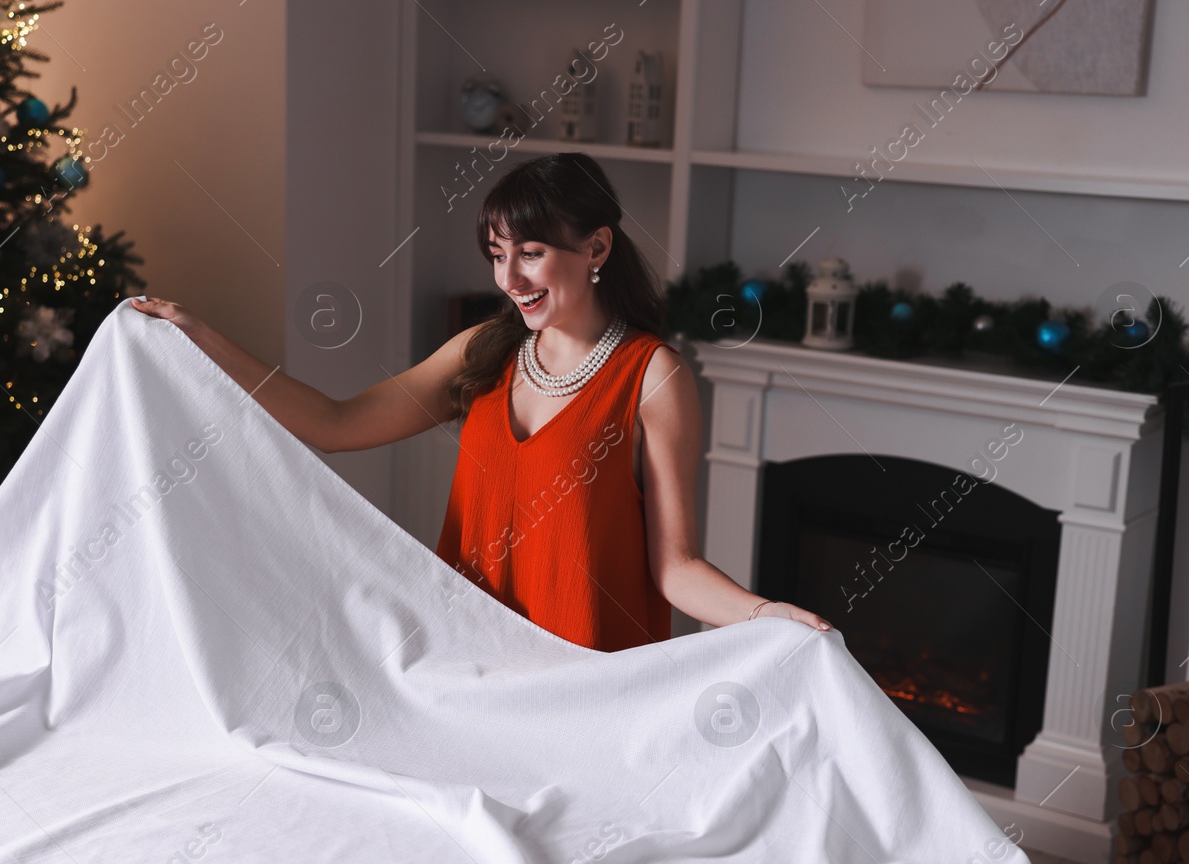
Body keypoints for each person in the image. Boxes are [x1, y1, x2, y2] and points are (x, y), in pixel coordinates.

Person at [132, 152, 831, 652]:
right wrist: (202, 338)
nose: (510, 277)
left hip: (584, 681)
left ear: (597, 247)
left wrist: (765, 611)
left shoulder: (653, 377)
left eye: (529, 252)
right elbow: (333, 423)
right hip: (469, 661)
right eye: (498, 254)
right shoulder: (483, 352)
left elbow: (675, 568)